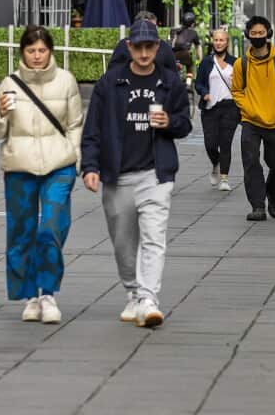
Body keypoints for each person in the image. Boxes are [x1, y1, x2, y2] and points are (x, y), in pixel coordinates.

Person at [82, 19, 192, 328]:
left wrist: (169, 121)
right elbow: (93, 129)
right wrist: (89, 167)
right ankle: (132, 290)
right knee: (123, 242)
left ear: (158, 48)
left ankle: (148, 299)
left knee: (154, 238)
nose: (144, 53)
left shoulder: (170, 82)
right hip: (118, 175)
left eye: (150, 47)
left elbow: (185, 123)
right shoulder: (110, 83)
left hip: (156, 174)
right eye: (138, 47)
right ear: (129, 47)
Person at [0, 26, 84, 324]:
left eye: (42, 50)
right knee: (21, 232)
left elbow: (76, 123)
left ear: (50, 51)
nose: (37, 56)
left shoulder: (66, 81)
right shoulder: (9, 84)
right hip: (19, 166)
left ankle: (48, 292)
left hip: (59, 164)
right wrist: (1, 114)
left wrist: (75, 159)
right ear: (22, 53)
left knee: (50, 228)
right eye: (31, 51)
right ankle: (29, 295)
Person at [232, 15, 275, 221]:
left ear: (268, 34)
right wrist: (249, 109)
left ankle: (273, 195)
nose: (257, 36)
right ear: (247, 35)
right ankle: (258, 206)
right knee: (250, 163)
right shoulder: (241, 64)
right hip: (250, 121)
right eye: (253, 33)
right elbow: (237, 91)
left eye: (261, 33)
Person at [195, 29, 239, 191]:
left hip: (230, 108)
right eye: (216, 40)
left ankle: (224, 178)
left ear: (227, 42)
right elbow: (198, 83)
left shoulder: (236, 62)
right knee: (210, 144)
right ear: (212, 42)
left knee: (225, 143)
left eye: (222, 40)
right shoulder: (206, 62)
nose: (219, 43)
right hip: (210, 108)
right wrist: (204, 93)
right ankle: (216, 163)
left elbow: (244, 84)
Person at [108, 10, 177, 72]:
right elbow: (112, 71)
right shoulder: (123, 45)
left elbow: (173, 72)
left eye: (153, 27)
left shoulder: (164, 47)